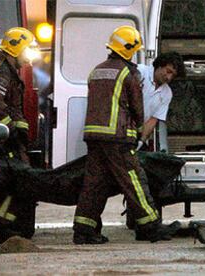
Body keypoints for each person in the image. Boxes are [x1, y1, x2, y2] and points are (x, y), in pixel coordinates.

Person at [72, 25, 178, 244]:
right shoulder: (130, 73)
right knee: (135, 180)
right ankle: (151, 226)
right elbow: (138, 110)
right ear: (129, 50)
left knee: (94, 183)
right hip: (118, 137)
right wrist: (138, 132)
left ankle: (84, 230)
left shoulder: (97, 70)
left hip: (94, 135)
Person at [0, 27, 40, 240]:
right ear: (16, 49)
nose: (29, 56)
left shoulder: (9, 71)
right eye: (27, 51)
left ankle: (7, 224)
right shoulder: (2, 73)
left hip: (5, 137)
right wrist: (11, 130)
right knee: (8, 179)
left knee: (16, 177)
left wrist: (22, 130)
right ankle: (3, 226)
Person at [136, 52, 186, 152]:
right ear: (160, 65)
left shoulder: (167, 93)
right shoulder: (140, 71)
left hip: (136, 133)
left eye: (173, 75)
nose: (169, 77)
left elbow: (153, 120)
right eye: (168, 71)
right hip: (121, 130)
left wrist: (141, 141)